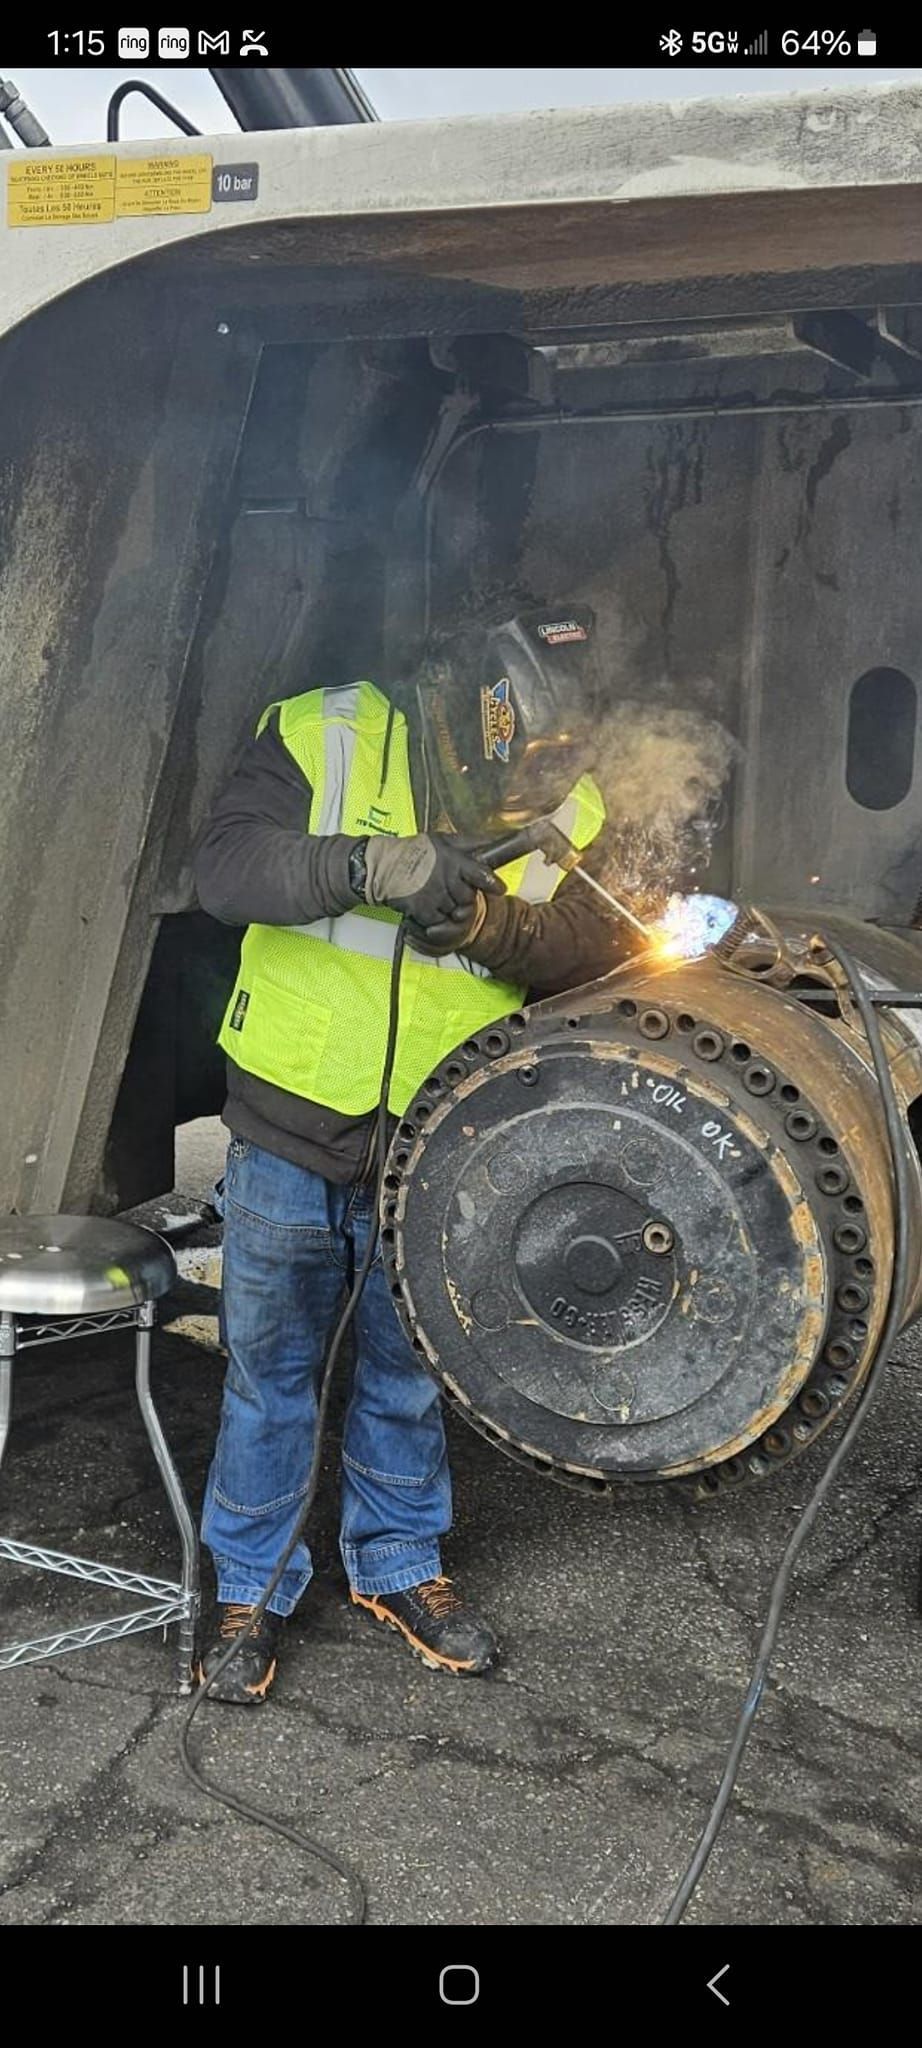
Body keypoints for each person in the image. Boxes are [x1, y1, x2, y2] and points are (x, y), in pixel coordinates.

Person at [193, 602, 629, 1702]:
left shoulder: (569, 789)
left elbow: (602, 946)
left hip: (445, 1137)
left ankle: (397, 1561)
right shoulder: (321, 731)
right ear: (453, 701)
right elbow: (228, 868)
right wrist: (375, 864)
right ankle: (250, 1581)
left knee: (412, 1368)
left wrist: (494, 929)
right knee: (270, 1372)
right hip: (293, 1119)